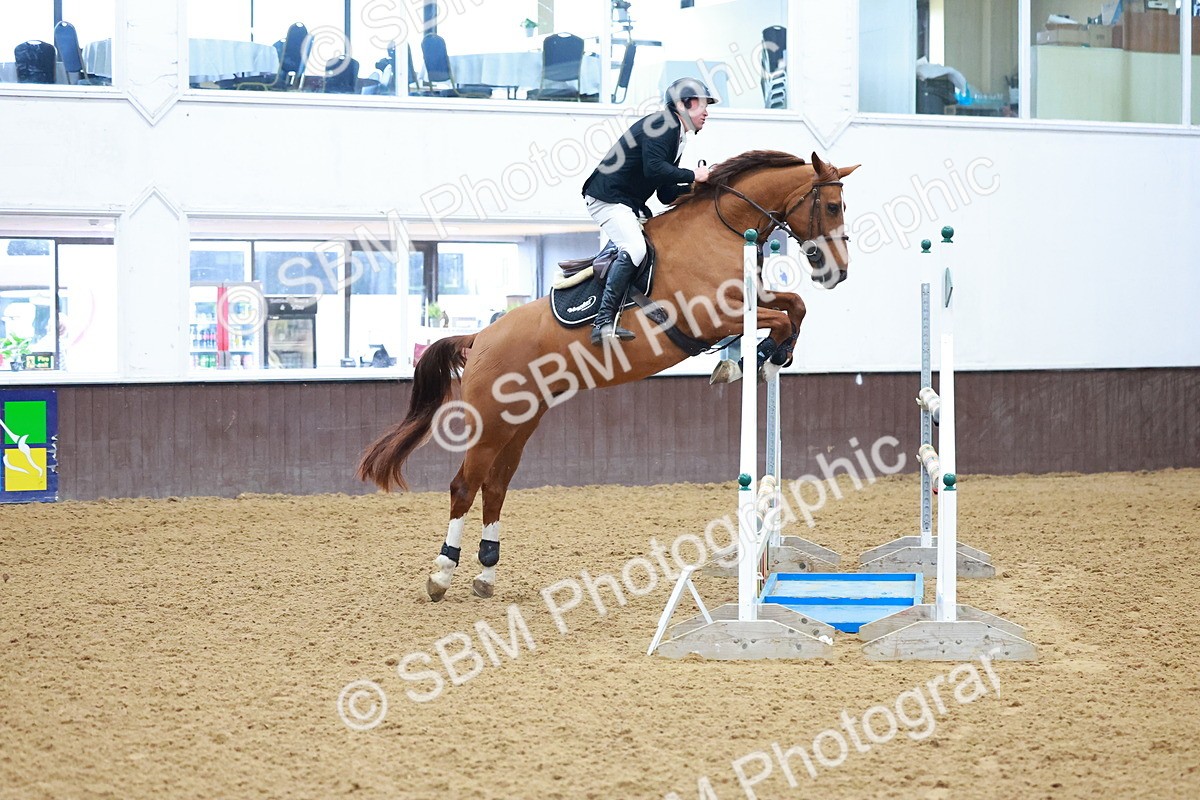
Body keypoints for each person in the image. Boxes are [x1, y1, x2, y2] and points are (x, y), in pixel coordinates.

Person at [580, 77, 717, 346]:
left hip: (626, 202)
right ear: (682, 104)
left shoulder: (676, 135)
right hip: (607, 198)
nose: (706, 112)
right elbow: (654, 169)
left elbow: (664, 192)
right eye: (702, 105)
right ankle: (602, 322)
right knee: (635, 249)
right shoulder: (662, 124)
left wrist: (695, 189)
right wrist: (694, 175)